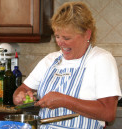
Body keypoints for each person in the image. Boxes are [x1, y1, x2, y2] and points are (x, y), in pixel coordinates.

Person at [13, 1, 122, 129]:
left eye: (67, 38)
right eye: (57, 36)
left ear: (87, 34)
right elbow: (21, 90)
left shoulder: (101, 60)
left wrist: (64, 101)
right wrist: (19, 96)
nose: (60, 43)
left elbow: (108, 113)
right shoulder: (50, 60)